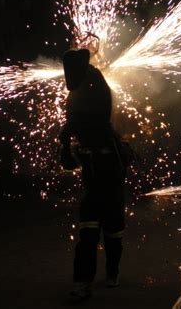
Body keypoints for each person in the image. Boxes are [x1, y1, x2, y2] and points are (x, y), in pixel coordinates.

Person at [59, 49, 129, 300]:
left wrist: (70, 137)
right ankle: (82, 282)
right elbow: (68, 157)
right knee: (88, 234)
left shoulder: (95, 88)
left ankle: (112, 272)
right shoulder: (80, 91)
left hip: (110, 179)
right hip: (94, 181)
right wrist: (66, 141)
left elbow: (92, 119)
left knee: (112, 234)